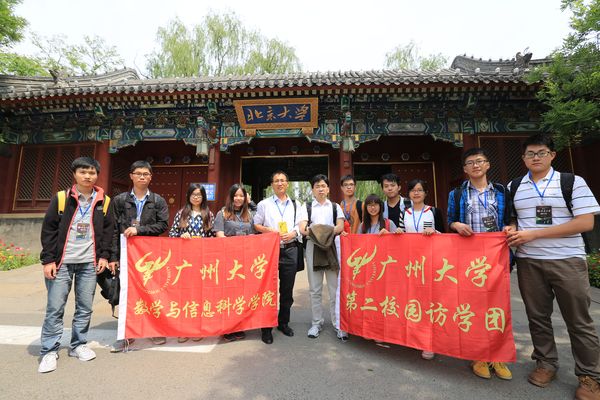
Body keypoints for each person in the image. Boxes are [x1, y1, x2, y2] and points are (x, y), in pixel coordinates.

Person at [506, 134, 600, 399]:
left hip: (567, 259)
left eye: (542, 152)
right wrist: (512, 229)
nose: (536, 157)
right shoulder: (515, 186)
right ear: (523, 158)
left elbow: (585, 222)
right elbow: (513, 219)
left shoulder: (572, 182)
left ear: (552, 155)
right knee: (537, 317)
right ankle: (546, 363)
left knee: (578, 320)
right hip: (529, 262)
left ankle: (590, 376)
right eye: (530, 153)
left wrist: (534, 234)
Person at [38, 157, 114, 373]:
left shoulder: (104, 201)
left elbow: (108, 231)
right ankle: (49, 350)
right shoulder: (62, 198)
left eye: (92, 172)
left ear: (97, 175)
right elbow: (49, 230)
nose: (88, 176)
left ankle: (78, 344)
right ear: (74, 174)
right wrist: (48, 260)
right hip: (62, 262)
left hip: (89, 263)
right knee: (55, 307)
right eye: (83, 172)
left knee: (85, 307)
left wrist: (104, 256)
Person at [447, 147, 513, 380]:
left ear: (487, 165)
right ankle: (479, 355)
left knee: (498, 306)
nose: (475, 165)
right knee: (473, 307)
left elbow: (511, 220)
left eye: (479, 161)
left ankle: (498, 355)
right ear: (465, 169)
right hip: (469, 258)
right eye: (470, 163)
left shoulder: (502, 191)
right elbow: (450, 220)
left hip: (496, 257)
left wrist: (510, 228)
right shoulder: (456, 194)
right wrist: (457, 225)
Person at [109, 160, 169, 352]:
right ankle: (127, 333)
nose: (142, 177)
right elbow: (113, 229)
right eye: (138, 173)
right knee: (127, 292)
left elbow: (163, 225)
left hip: (149, 255)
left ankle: (154, 329)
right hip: (127, 255)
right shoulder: (120, 200)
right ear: (131, 176)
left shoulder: (158, 201)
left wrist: (139, 230)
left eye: (146, 174)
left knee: (152, 291)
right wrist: (113, 257)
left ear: (151, 177)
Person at [253, 171, 301, 344]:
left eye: (282, 180)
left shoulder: (296, 204)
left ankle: (283, 323)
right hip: (269, 250)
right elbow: (256, 224)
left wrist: (293, 233)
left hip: (290, 249)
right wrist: (269, 230)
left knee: (287, 290)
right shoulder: (264, 204)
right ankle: (266, 328)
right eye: (276, 181)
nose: (280, 183)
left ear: (287, 183)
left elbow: (300, 225)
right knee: (267, 290)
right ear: (272, 185)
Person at [299, 174, 346, 341]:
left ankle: (338, 323)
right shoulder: (306, 206)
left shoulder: (335, 207)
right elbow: (303, 229)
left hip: (331, 247)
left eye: (323, 186)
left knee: (334, 288)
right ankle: (316, 323)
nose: (320, 189)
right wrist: (324, 232)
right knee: (315, 289)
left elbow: (340, 227)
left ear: (328, 189)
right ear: (312, 189)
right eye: (317, 186)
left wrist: (319, 232)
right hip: (313, 248)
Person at [402, 179, 445, 360]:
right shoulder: (405, 213)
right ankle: (414, 337)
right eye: (413, 190)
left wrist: (435, 233)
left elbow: (445, 236)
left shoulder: (434, 211)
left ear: (426, 193)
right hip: (411, 264)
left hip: (430, 263)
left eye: (420, 190)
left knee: (429, 302)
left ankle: (429, 342)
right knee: (412, 301)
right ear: (409, 194)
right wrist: (398, 233)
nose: (416, 193)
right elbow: (402, 235)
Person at [169, 183, 215, 343]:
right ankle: (183, 329)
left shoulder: (208, 214)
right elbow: (172, 233)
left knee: (200, 294)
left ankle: (197, 328)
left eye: (199, 195)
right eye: (193, 194)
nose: (196, 197)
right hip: (184, 261)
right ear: (188, 196)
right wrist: (181, 236)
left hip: (202, 261)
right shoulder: (181, 213)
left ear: (203, 197)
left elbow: (212, 237)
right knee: (184, 294)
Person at [215, 184, 255, 342]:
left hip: (245, 258)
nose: (238, 199)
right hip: (228, 258)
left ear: (245, 198)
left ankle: (239, 325)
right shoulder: (222, 213)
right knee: (228, 293)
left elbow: (252, 234)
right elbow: (219, 234)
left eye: (241, 196)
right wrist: (234, 246)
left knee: (242, 293)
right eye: (235, 195)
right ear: (231, 197)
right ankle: (227, 327)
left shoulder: (249, 214)